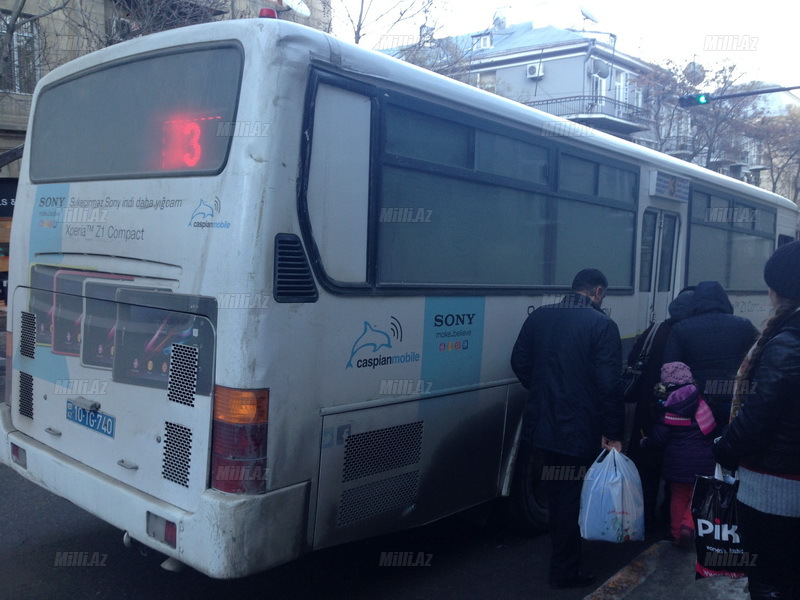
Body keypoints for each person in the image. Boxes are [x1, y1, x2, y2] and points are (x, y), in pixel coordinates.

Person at [510, 268, 624, 590]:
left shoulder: (540, 317)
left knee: (559, 494)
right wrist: (614, 433)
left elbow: (519, 361)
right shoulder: (602, 325)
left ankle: (563, 562)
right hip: (579, 428)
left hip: (543, 425)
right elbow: (609, 386)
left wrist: (543, 392)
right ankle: (564, 572)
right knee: (571, 499)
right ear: (598, 291)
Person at [713, 241, 800, 600]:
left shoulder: (788, 341)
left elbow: (758, 416)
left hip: (776, 491)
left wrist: (723, 448)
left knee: (769, 581)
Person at [625, 287, 695, 533]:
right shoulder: (689, 334)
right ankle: (669, 518)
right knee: (676, 468)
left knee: (647, 467)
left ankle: (642, 518)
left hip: (647, 410)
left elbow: (634, 360)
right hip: (680, 413)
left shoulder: (654, 330)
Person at [663, 280, 759, 431]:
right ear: (724, 301)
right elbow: (759, 361)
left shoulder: (681, 328)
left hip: (698, 402)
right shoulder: (745, 325)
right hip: (736, 396)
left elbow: (671, 371)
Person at [640, 361, 716, 548]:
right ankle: (688, 527)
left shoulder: (667, 408)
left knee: (678, 496)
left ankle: (676, 533)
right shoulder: (702, 401)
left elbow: (658, 439)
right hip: (703, 462)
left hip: (677, 464)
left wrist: (645, 442)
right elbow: (712, 429)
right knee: (697, 496)